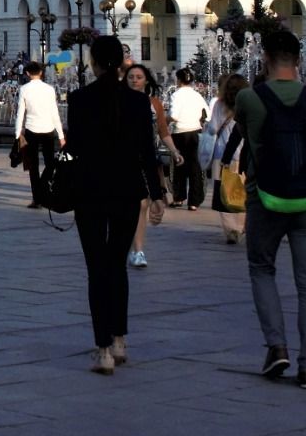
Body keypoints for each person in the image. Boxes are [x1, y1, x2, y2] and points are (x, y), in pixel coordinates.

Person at [234, 28, 306, 389]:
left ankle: (277, 348)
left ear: (265, 59)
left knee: (261, 268)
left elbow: (246, 135)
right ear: (299, 61)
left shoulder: (249, 98)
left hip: (265, 198)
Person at [67, 34, 165, 375]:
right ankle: (121, 340)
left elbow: (73, 147)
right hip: (127, 191)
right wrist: (157, 193)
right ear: (121, 63)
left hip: (90, 192)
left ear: (94, 62)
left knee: (97, 269)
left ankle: (103, 349)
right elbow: (146, 152)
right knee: (117, 266)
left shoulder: (80, 99)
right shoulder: (139, 102)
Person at [124, 64, 176, 268]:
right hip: (122, 160)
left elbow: (163, 131)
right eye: (131, 77)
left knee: (141, 203)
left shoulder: (154, 104)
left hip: (146, 158)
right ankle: (127, 243)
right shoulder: (120, 103)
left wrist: (174, 150)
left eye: (138, 77)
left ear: (146, 80)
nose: (135, 80)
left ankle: (138, 250)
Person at [13, 60, 64, 207]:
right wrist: (61, 135)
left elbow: (20, 114)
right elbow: (55, 113)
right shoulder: (49, 89)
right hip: (48, 129)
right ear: (41, 73)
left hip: (31, 130)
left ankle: (37, 198)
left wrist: (17, 134)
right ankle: (44, 185)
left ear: (28, 73)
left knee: (33, 165)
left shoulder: (24, 89)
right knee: (50, 162)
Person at [208, 72, 250, 244]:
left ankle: (231, 229)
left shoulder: (219, 104)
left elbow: (212, 128)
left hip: (222, 154)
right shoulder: (249, 103)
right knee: (241, 190)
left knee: (223, 190)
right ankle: (241, 227)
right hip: (244, 154)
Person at [167, 68, 209, 210]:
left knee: (179, 165)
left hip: (180, 133)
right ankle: (194, 202)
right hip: (195, 132)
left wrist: (164, 121)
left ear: (178, 80)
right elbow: (206, 115)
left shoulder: (176, 95)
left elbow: (174, 115)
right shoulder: (197, 95)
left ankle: (179, 197)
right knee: (195, 167)